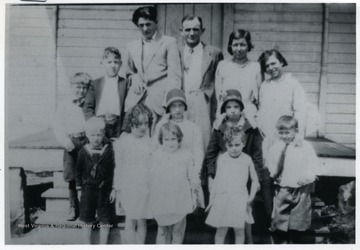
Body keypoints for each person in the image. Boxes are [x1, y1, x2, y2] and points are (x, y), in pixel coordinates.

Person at [204, 89, 271, 243]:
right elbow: (211, 154)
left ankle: (248, 241)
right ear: (224, 110)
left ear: (241, 109)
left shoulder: (250, 128)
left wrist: (257, 180)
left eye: (236, 106)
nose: (232, 110)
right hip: (224, 173)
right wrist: (211, 176)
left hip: (244, 173)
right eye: (228, 107)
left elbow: (257, 156)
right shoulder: (219, 127)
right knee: (223, 220)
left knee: (244, 216)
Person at [265, 115, 317, 244]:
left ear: (296, 131)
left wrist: (307, 176)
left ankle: (294, 239)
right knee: (281, 212)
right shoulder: (276, 147)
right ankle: (281, 239)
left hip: (301, 187)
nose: (284, 136)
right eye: (281, 133)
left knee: (298, 215)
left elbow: (313, 164)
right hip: (283, 186)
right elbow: (270, 163)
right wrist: (274, 175)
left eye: (287, 132)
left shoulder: (305, 147)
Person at [126, 6, 182, 124]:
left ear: (156, 23)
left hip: (160, 102)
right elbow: (129, 71)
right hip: (137, 100)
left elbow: (174, 76)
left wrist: (169, 103)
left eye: (148, 24)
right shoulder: (131, 46)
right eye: (141, 25)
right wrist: (134, 77)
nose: (145, 29)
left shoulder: (169, 42)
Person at [205, 127, 259, 244]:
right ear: (226, 145)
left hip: (240, 199)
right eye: (230, 145)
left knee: (239, 231)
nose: (234, 148)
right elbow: (217, 180)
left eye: (237, 145)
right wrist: (211, 200)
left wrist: (250, 198)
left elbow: (255, 180)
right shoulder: (223, 159)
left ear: (243, 143)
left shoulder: (247, 159)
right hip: (223, 199)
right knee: (221, 230)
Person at [149, 122, 198, 244]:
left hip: (180, 199)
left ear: (179, 139)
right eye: (166, 139)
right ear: (161, 140)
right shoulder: (156, 156)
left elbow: (192, 177)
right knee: (162, 231)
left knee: (177, 231)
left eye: (173, 139)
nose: (170, 143)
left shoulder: (186, 156)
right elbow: (152, 179)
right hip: (162, 200)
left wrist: (193, 197)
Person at [180, 14, 224, 150]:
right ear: (182, 31)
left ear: (202, 31)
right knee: (183, 140)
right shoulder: (177, 52)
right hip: (183, 101)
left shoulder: (214, 53)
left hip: (203, 103)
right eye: (187, 30)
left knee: (203, 142)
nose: (191, 33)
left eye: (195, 29)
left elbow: (219, 82)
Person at [53, 72, 92, 221]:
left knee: (87, 173)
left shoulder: (89, 103)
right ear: (71, 86)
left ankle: (86, 207)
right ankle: (72, 206)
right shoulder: (65, 104)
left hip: (86, 141)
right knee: (72, 176)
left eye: (84, 87)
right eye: (78, 86)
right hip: (71, 142)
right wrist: (64, 141)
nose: (81, 90)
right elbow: (57, 125)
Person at [113, 103, 153, 244]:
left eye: (146, 123)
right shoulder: (123, 143)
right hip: (129, 188)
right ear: (131, 123)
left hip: (145, 188)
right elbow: (119, 167)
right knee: (130, 220)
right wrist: (117, 190)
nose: (143, 127)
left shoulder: (151, 143)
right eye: (139, 124)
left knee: (142, 221)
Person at [257, 49, 307, 158]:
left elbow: (300, 110)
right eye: (267, 66)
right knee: (269, 162)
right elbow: (262, 109)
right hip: (268, 133)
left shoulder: (293, 84)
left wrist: (298, 133)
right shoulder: (265, 85)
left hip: (286, 133)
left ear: (281, 62)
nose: (271, 68)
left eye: (273, 63)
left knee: (285, 161)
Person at [75, 117, 116, 244]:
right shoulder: (83, 152)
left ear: (104, 134)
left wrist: (114, 188)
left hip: (104, 190)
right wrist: (79, 188)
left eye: (99, 134)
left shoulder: (108, 151)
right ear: (87, 134)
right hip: (87, 189)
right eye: (92, 135)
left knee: (104, 218)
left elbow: (113, 170)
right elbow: (78, 170)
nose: (96, 138)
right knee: (86, 218)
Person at [215, 29, 261, 124]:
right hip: (227, 113)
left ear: (248, 45)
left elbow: (260, 97)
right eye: (235, 45)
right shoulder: (222, 65)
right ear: (230, 46)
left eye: (242, 45)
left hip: (249, 113)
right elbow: (218, 97)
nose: (239, 49)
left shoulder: (256, 66)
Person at [83, 47, 128, 139]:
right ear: (102, 63)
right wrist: (94, 124)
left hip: (118, 125)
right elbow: (87, 107)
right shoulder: (95, 84)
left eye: (116, 62)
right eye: (109, 62)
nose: (113, 65)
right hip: (99, 124)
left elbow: (129, 108)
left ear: (120, 64)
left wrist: (124, 129)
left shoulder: (125, 83)